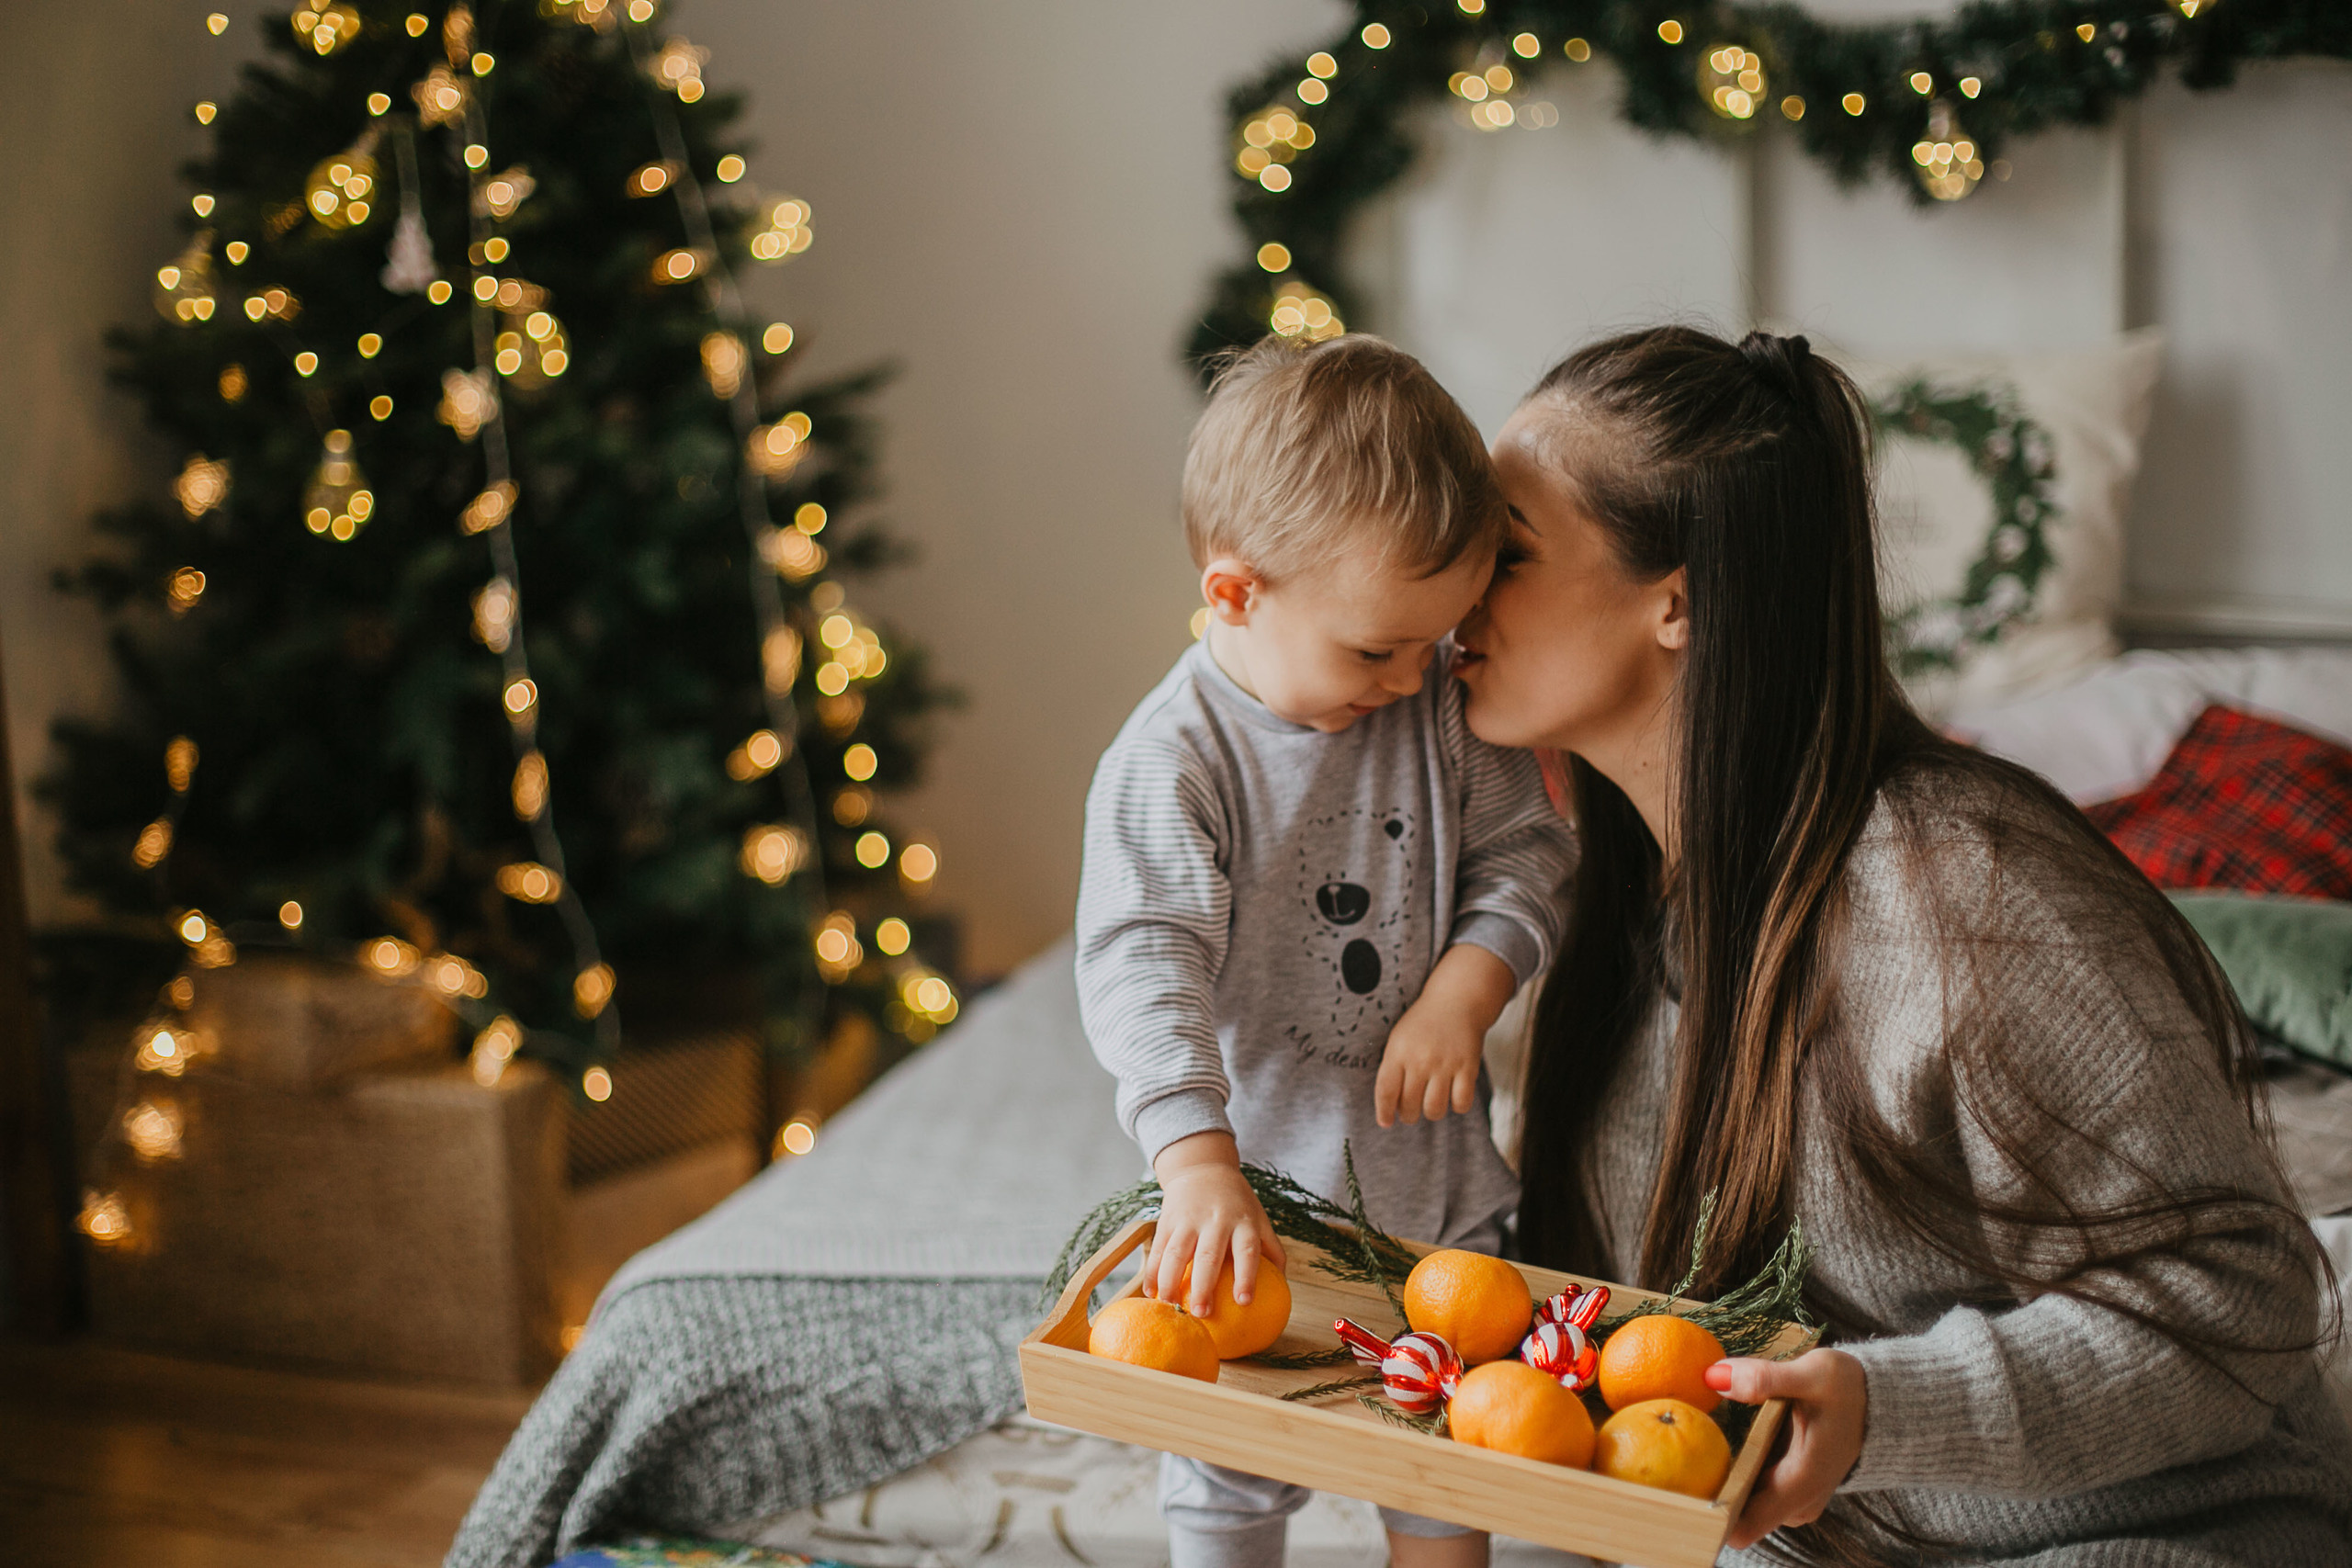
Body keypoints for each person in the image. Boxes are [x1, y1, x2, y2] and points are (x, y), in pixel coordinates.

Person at [1454, 324, 2352, 1563]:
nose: (1457, 589)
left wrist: (1885, 1409)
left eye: (1504, 552)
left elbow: (2242, 1298)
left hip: (2145, 1533)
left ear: (1679, 602)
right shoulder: (1600, 903)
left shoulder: (1968, 897)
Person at [1076, 333, 1575, 1568]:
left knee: (1441, 1475)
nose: (1411, 678)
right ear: (1237, 593)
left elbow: (1529, 858)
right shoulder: (1173, 762)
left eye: (1437, 641)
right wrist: (1195, 1164)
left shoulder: (1438, 701)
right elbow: (1144, 965)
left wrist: (1465, 992)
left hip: (1437, 1210)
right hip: (1251, 1210)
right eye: (1374, 650)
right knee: (1229, 1478)